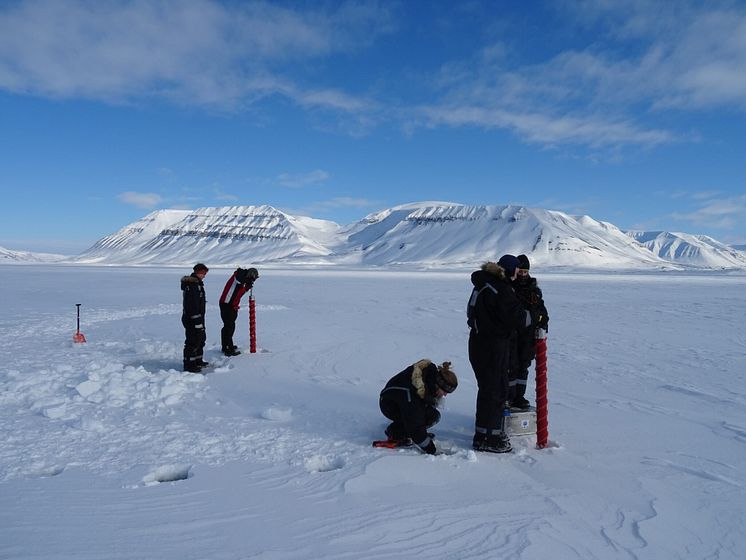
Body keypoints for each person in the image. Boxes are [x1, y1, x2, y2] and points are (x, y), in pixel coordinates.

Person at [467, 255, 533, 453]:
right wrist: (533, 314)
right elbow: (518, 318)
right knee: (494, 390)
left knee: (490, 389)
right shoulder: (500, 289)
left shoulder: (484, 284)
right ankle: (489, 438)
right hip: (492, 345)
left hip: (481, 342)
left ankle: (486, 433)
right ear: (511, 270)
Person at [378, 359, 458, 455]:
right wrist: (431, 449)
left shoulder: (429, 377)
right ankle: (395, 432)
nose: (445, 395)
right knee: (416, 422)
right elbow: (415, 425)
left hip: (402, 400)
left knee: (433, 416)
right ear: (438, 385)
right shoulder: (413, 396)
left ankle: (408, 430)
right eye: (444, 391)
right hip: (389, 405)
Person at [509, 254, 549, 410]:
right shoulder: (509, 289)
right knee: (510, 367)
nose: (523, 275)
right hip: (513, 336)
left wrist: (541, 323)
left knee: (523, 368)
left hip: (528, 338)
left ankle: (519, 397)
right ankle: (509, 398)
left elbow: (543, 313)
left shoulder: (534, 291)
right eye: (521, 272)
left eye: (526, 272)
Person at [219, 267, 259, 356]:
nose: (253, 280)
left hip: (231, 305)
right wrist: (247, 281)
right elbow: (239, 281)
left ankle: (226, 346)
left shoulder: (242, 279)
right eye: (253, 278)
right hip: (226, 304)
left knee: (229, 326)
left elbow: (238, 293)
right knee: (229, 326)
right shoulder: (239, 275)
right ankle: (228, 348)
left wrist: (246, 288)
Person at [181, 263, 209, 373]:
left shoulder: (198, 284)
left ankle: (198, 360)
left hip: (199, 317)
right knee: (192, 341)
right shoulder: (192, 286)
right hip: (192, 319)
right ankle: (189, 364)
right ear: (199, 272)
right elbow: (192, 305)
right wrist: (196, 320)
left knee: (200, 339)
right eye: (204, 273)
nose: (205, 276)